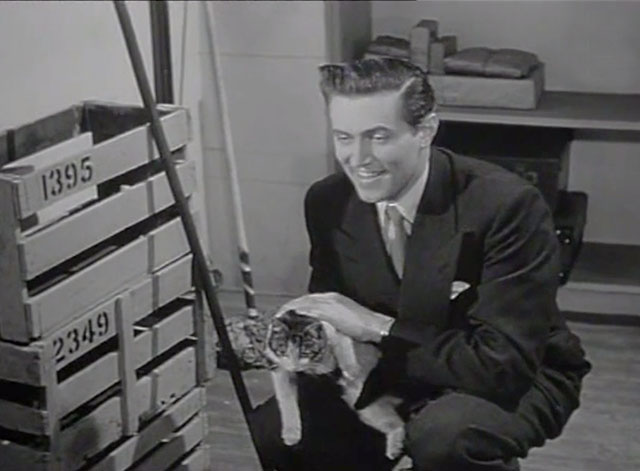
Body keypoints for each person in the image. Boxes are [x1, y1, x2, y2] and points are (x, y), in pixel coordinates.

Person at [252, 57, 591, 471]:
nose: (358, 158)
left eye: (378, 137)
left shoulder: (506, 205)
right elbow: (333, 320)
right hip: (386, 367)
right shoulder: (327, 201)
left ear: (425, 131)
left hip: (513, 374)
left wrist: (376, 326)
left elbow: (503, 364)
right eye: (344, 137)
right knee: (278, 431)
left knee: (445, 437)